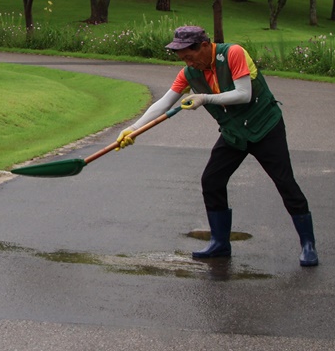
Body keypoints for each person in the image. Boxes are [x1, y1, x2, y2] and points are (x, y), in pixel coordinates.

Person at [115, 25, 318, 267]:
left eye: (190, 57)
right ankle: (220, 243)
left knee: (285, 182)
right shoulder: (189, 73)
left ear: (203, 46)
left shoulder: (233, 53)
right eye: (183, 59)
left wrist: (204, 98)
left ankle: (308, 245)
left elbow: (243, 93)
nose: (188, 63)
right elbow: (164, 102)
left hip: (265, 127)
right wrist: (133, 129)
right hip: (234, 133)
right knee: (212, 180)